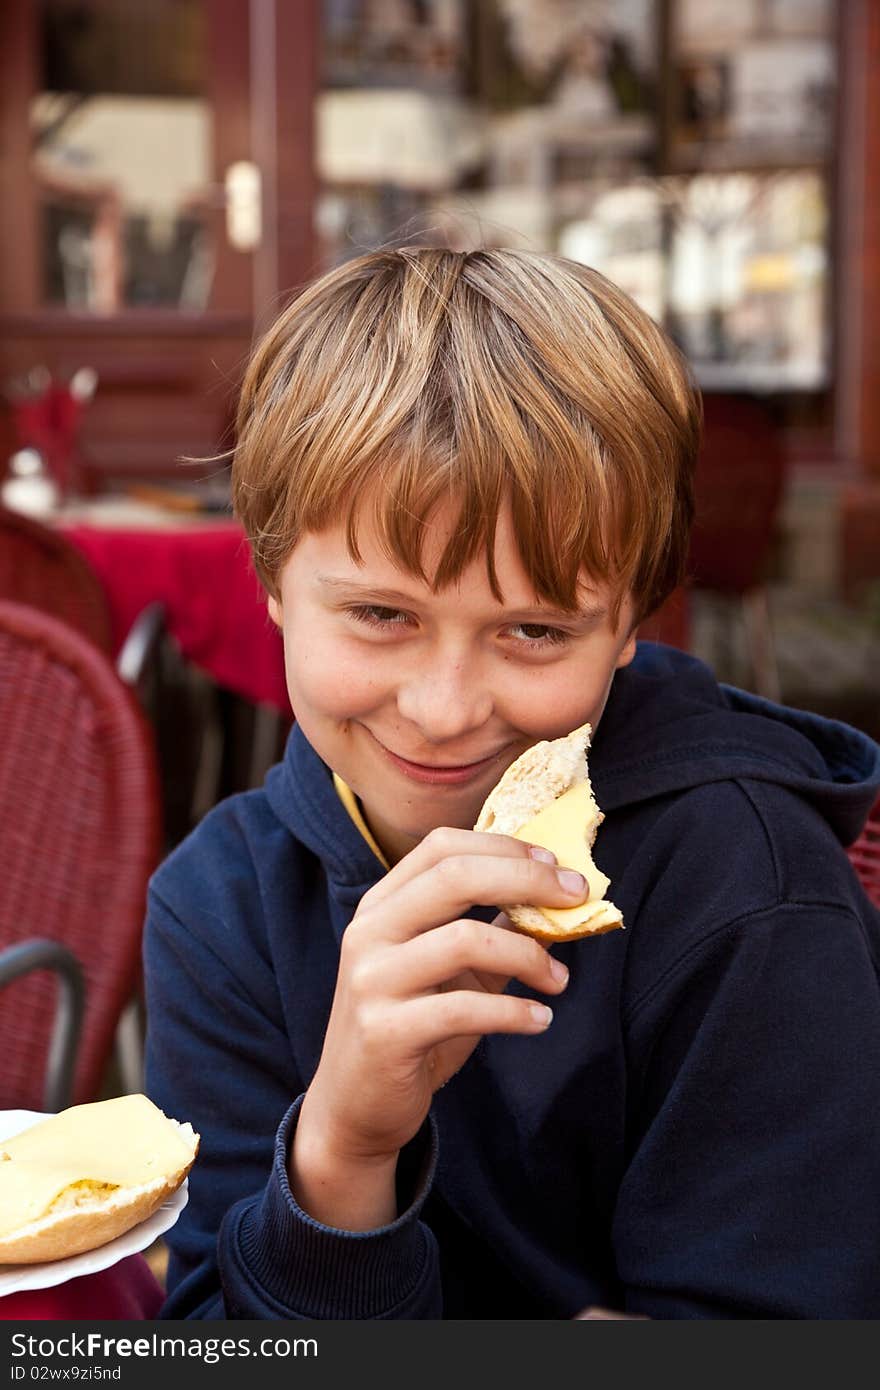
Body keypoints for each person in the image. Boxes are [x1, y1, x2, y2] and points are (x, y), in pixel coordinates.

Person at [143, 247, 880, 1320]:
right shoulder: (224, 907)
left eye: (533, 630)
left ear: (629, 622)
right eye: (381, 615)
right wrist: (342, 1149)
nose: (444, 708)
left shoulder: (747, 888)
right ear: (268, 582)